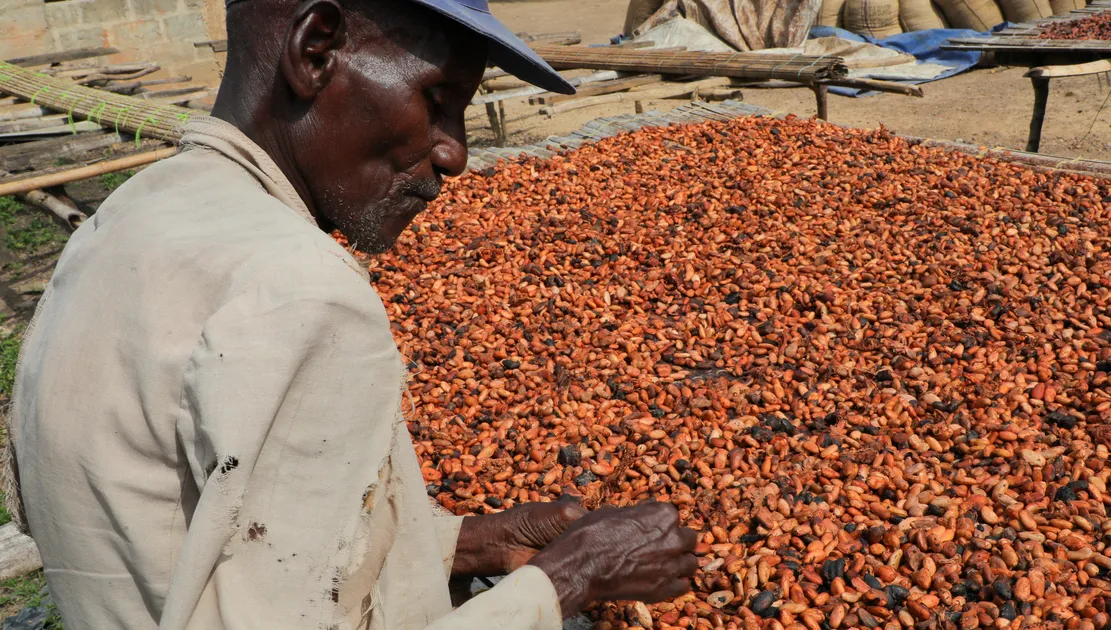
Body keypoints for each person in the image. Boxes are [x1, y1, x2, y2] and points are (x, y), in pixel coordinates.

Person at [4, 0, 699, 627]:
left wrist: (459, 544)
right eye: (436, 99)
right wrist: (569, 580)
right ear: (315, 50)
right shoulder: (305, 288)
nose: (454, 153)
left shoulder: (126, 216)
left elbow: (192, 536)